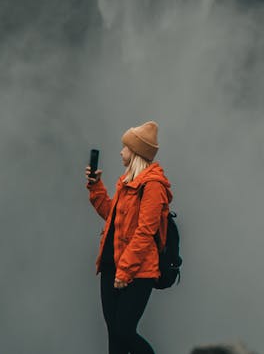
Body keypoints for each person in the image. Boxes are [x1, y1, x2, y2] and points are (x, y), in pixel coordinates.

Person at [85, 121, 173, 354]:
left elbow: (145, 232)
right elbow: (113, 217)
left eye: (125, 147)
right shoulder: (126, 182)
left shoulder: (153, 186)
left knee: (124, 330)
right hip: (111, 265)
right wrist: (96, 188)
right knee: (114, 333)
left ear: (137, 153)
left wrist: (124, 271)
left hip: (138, 271)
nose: (121, 151)